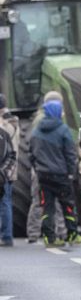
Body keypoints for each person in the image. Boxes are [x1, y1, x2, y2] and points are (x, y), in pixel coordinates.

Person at [30, 99, 81, 247]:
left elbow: (31, 155)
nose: (62, 113)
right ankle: (72, 235)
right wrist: (71, 173)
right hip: (61, 176)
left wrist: (38, 169)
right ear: (56, 112)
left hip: (43, 176)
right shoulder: (63, 130)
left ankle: (49, 238)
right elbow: (70, 154)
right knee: (67, 205)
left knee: (47, 207)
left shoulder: (36, 131)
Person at [26, 90, 67, 243]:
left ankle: (34, 232)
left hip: (40, 167)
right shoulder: (51, 119)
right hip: (48, 167)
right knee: (51, 200)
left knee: (39, 200)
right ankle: (58, 231)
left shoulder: (40, 119)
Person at [0, 93, 19, 247]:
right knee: (6, 201)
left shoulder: (5, 123)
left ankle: (6, 236)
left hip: (4, 169)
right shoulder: (13, 120)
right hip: (10, 168)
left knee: (4, 201)